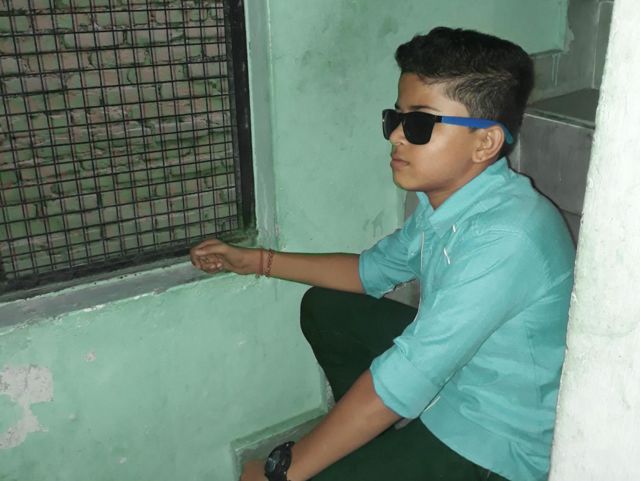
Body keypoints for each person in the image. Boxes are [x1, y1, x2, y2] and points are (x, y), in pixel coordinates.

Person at [190, 27, 575, 481]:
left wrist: (282, 474)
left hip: (493, 433)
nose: (395, 136)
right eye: (395, 118)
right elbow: (368, 271)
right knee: (326, 308)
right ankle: (374, 439)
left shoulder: (508, 238)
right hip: (456, 375)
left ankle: (374, 439)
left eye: (419, 124)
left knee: (318, 468)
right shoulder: (449, 202)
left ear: (485, 143)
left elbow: (407, 372)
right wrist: (256, 261)